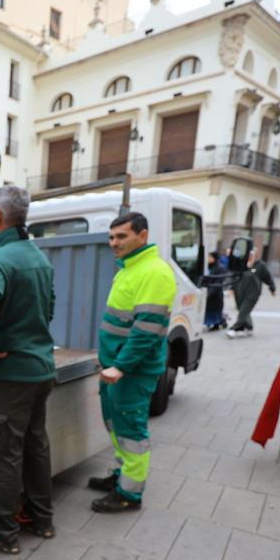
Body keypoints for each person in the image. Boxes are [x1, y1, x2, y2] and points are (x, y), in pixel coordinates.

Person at [0, 186, 57, 554]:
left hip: (11, 377)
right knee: (36, 445)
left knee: (5, 452)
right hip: (41, 370)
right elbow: (48, 310)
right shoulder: (39, 258)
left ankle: (3, 531)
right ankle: (42, 519)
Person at [87, 211, 176, 513]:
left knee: (131, 432)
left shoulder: (153, 272)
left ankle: (129, 494)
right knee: (116, 425)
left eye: (122, 236)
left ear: (143, 235)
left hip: (131, 372)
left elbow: (146, 329)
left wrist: (121, 366)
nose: (114, 242)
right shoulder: (129, 269)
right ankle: (121, 475)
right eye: (111, 237)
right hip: (116, 369)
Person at [228, 249, 276, 338]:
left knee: (243, 311)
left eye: (252, 255)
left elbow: (267, 277)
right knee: (242, 309)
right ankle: (249, 327)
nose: (250, 256)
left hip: (253, 292)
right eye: (248, 254)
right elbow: (235, 276)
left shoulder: (259, 266)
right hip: (239, 291)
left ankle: (235, 328)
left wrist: (272, 288)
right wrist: (231, 288)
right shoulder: (241, 264)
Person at [203, 251, 229, 332]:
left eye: (210, 257)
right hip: (209, 292)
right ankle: (220, 322)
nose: (208, 259)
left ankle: (217, 324)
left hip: (215, 294)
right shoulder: (208, 267)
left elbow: (218, 282)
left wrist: (210, 292)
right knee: (210, 310)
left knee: (215, 311)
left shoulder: (220, 268)